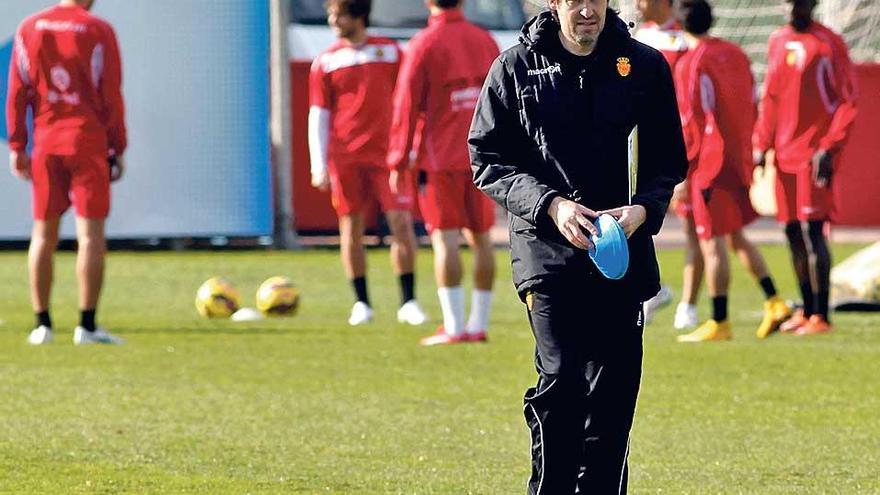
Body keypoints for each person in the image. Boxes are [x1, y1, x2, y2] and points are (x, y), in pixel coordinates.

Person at [469, 0, 686, 491]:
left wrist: (643, 211)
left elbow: (668, 160)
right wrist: (551, 205)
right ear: (554, 2)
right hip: (546, 250)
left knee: (612, 397)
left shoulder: (644, 66)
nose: (587, 10)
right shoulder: (515, 67)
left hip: (620, 253)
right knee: (562, 382)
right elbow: (487, 158)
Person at [672, 0, 792, 342]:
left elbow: (693, 121)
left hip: (710, 163)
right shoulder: (735, 53)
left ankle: (720, 321)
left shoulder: (691, 63)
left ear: (679, 25)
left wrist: (684, 171)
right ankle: (775, 301)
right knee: (735, 234)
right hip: (737, 156)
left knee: (711, 241)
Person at [7, 0, 126, 345]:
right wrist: (117, 145)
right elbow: (110, 95)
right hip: (87, 141)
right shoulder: (97, 30)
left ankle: (42, 325)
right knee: (90, 236)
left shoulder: (31, 27)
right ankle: (86, 326)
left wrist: (18, 145)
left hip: (46, 143)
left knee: (43, 235)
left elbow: (17, 92)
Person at [387, 0, 499, 345]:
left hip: (439, 158)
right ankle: (478, 324)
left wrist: (397, 159)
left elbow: (406, 104)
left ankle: (453, 327)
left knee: (445, 238)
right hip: (484, 156)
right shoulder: (485, 40)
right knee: (482, 238)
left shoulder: (423, 43)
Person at [309, 0, 427, 327]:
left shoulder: (390, 51)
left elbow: (410, 102)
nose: (333, 21)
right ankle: (362, 303)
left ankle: (408, 301)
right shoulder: (326, 61)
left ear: (358, 16)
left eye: (339, 14)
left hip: (389, 157)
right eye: (331, 15)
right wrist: (318, 164)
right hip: (344, 158)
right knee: (351, 228)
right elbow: (319, 115)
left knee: (401, 224)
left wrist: (412, 146)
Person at [753, 0, 858, 335]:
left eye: (798, 1)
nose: (791, 7)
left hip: (813, 155)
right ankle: (806, 309)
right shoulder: (777, 40)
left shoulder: (829, 43)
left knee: (814, 232)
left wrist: (830, 146)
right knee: (791, 231)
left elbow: (847, 100)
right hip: (783, 153)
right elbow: (771, 97)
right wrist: (762, 142)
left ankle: (821, 316)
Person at [634, 0, 701, 329]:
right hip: (638, 150)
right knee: (636, 220)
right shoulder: (636, 37)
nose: (636, 4)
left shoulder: (683, 42)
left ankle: (689, 304)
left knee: (696, 228)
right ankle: (650, 291)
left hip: (679, 148)